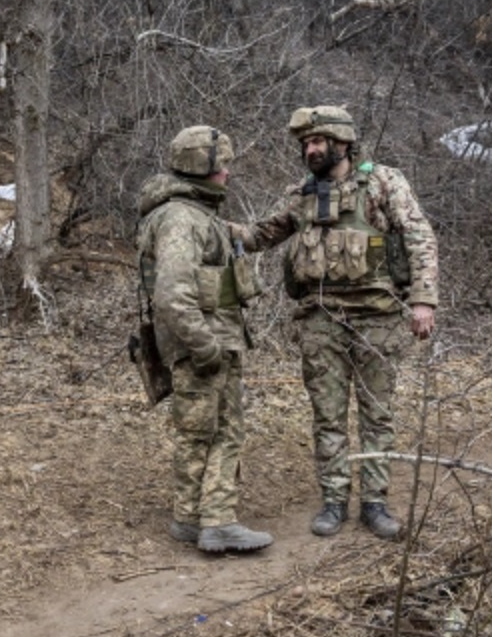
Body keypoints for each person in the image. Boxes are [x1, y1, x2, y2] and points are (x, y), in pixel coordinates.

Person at [231, 106, 439, 540]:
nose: (309, 150)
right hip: (320, 321)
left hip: (378, 318)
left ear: (342, 142)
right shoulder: (302, 194)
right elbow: (259, 235)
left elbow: (419, 236)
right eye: (305, 144)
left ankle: (375, 502)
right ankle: (334, 500)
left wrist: (423, 301)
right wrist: (200, 221)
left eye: (317, 142)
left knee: (377, 414)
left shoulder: (383, 182)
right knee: (327, 416)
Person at [134, 125, 273, 554]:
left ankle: (190, 517)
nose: (229, 173)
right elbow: (172, 293)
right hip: (206, 345)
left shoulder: (191, 213)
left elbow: (249, 237)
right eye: (224, 165)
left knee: (196, 430)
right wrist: (204, 345)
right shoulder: (182, 219)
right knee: (222, 431)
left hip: (203, 340)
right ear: (204, 167)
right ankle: (218, 521)